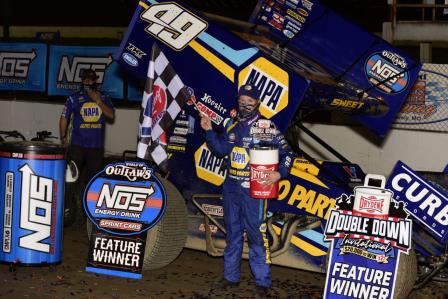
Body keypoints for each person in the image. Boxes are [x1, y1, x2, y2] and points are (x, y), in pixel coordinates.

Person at [200, 84, 294, 298]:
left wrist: (279, 174)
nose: (245, 105)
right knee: (232, 233)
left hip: (255, 190)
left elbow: (288, 153)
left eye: (249, 101)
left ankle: (262, 282)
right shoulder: (231, 124)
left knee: (256, 235)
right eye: (242, 101)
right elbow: (220, 150)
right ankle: (230, 278)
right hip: (231, 187)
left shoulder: (266, 126)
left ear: (258, 103)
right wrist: (208, 130)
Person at [59, 69, 115, 224]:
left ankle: (90, 214)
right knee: (71, 180)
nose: (87, 82)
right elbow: (64, 118)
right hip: (77, 146)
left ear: (95, 81)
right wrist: (63, 137)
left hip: (96, 148)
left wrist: (98, 101)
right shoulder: (74, 98)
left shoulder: (104, 97)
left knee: (94, 182)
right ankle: (67, 212)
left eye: (90, 80)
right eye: (85, 79)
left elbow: (111, 115)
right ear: (81, 81)